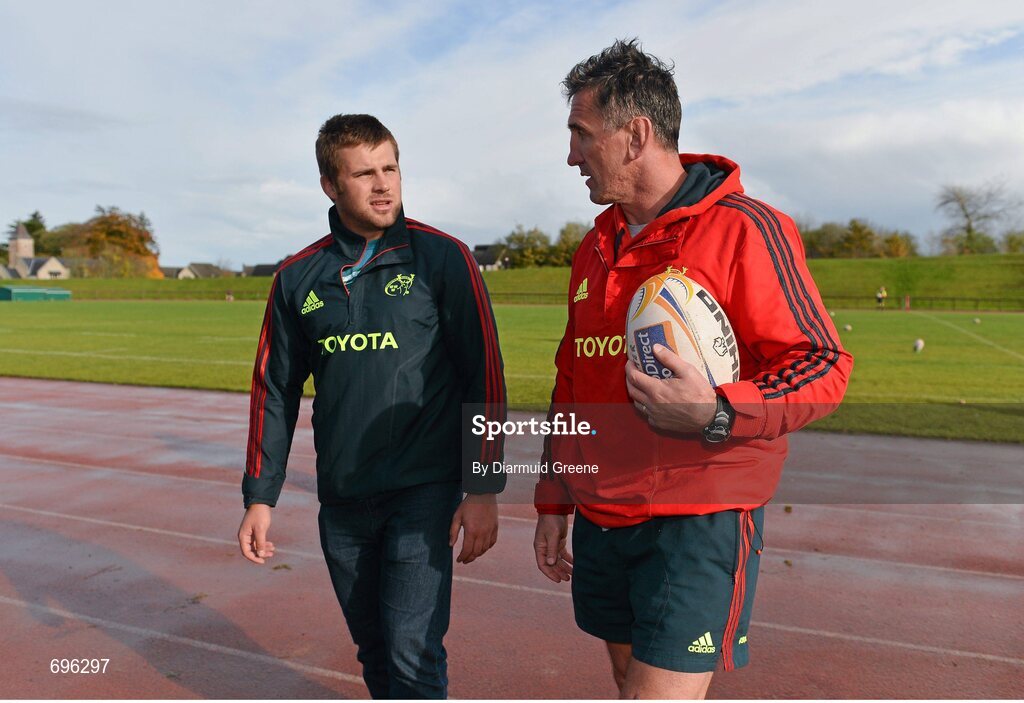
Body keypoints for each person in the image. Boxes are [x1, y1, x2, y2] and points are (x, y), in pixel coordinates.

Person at [533, 40, 853, 699]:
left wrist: (717, 408)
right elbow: (573, 382)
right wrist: (553, 495)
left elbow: (822, 365)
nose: (571, 156)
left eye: (581, 135)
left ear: (636, 135)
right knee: (627, 680)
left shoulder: (747, 230)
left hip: (696, 516)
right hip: (602, 514)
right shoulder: (594, 249)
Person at [238, 113, 506, 699]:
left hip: (423, 491)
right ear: (331, 186)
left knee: (413, 654)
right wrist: (261, 497)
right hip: (342, 499)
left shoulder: (444, 258)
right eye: (364, 173)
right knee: (376, 654)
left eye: (391, 167)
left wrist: (482, 488)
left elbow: (482, 375)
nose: (384, 183)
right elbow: (275, 391)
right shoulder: (295, 278)